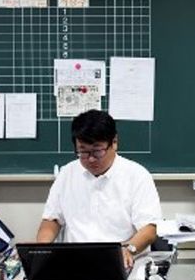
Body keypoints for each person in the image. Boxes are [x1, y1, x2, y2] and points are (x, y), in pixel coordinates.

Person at [36, 110, 161, 270]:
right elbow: (51, 219)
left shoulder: (137, 176)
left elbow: (150, 228)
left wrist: (128, 249)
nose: (91, 159)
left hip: (124, 261)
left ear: (114, 142)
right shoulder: (67, 173)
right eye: (83, 151)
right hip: (75, 262)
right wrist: (40, 250)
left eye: (97, 151)